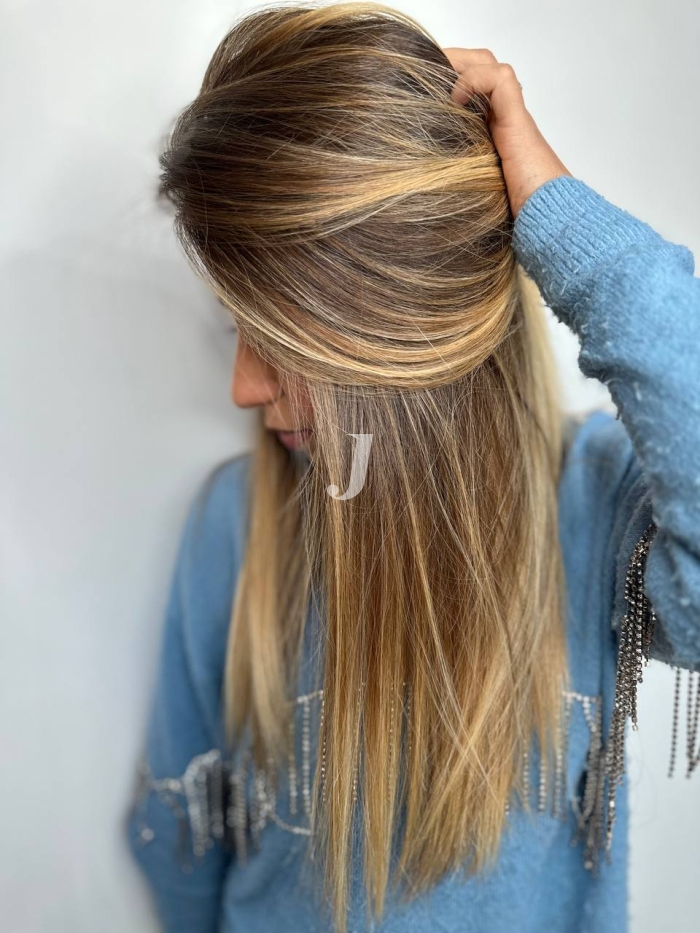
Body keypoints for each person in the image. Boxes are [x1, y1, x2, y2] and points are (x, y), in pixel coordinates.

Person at [123, 4, 700, 932]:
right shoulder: (236, 523)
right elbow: (181, 838)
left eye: (277, 337)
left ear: (394, 334)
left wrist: (564, 228)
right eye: (239, 328)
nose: (240, 385)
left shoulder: (592, 509)